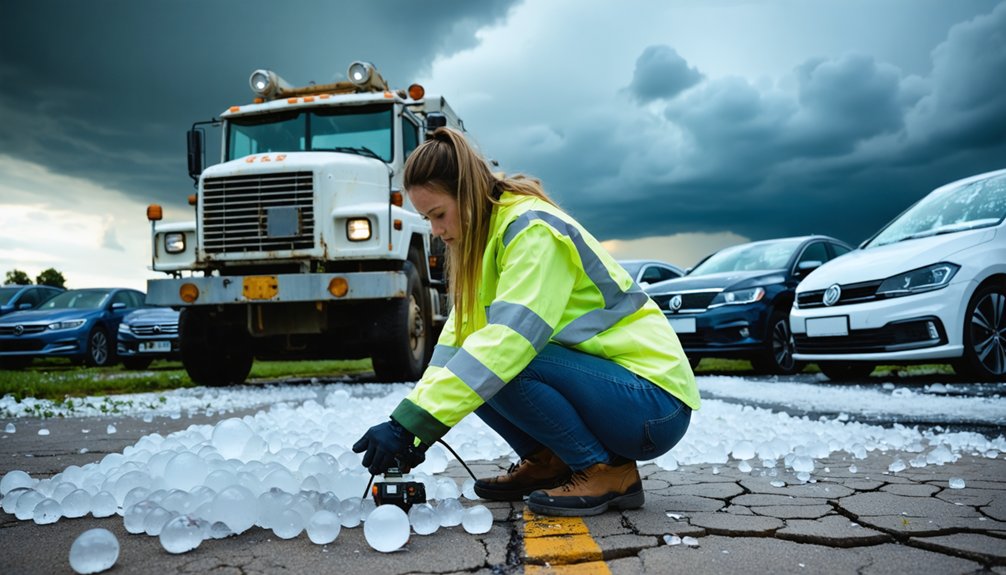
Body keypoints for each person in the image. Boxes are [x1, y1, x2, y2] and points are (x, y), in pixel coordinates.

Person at [352, 127, 700, 517]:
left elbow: (511, 342)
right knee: (472, 365)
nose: (435, 231)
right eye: (426, 219)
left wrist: (408, 426)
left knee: (504, 361)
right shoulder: (485, 246)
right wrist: (413, 426)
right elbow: (452, 352)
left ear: (466, 195)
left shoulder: (531, 230)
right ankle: (550, 462)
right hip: (618, 395)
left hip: (652, 404)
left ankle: (606, 471)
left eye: (438, 215)